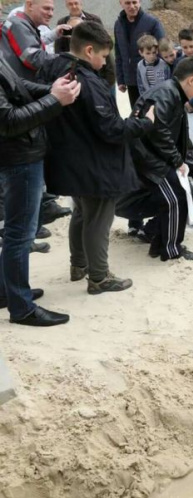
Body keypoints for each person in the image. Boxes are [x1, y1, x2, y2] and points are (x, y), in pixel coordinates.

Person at [37, 21, 155, 294]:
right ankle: (99, 277)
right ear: (89, 51)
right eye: (103, 56)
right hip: (95, 162)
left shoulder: (54, 68)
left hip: (69, 159)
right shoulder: (89, 81)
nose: (104, 64)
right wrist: (144, 123)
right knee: (99, 219)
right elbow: (112, 129)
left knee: (81, 212)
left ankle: (78, 265)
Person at [0, 57, 80, 326]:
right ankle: (21, 307)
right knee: (20, 233)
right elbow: (8, 121)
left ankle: (6, 292)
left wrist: (49, 89)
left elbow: (15, 84)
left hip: (22, 154)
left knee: (18, 230)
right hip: (18, 158)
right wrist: (54, 100)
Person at [0, 0, 72, 238]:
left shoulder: (22, 24)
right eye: (46, 9)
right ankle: (28, 229)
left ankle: (34, 222)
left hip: (24, 99)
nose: (51, 13)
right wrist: (68, 59)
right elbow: (33, 59)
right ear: (29, 5)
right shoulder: (18, 24)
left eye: (53, 9)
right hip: (20, 114)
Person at [128, 57, 193, 261]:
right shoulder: (167, 93)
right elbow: (159, 131)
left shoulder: (172, 94)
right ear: (191, 80)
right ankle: (171, 250)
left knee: (174, 198)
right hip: (148, 159)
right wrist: (177, 161)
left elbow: (181, 141)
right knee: (176, 198)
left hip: (153, 157)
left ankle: (159, 244)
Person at [114, 0, 166, 108]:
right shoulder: (118, 25)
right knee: (137, 114)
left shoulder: (152, 23)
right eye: (127, 3)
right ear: (121, 3)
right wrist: (121, 79)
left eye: (134, 2)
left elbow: (162, 49)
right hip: (131, 81)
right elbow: (119, 53)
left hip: (150, 80)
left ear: (140, 2)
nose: (132, 6)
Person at [55, 0, 115, 87]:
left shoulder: (94, 19)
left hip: (98, 70)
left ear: (81, 3)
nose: (74, 6)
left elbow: (104, 43)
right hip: (75, 70)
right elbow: (59, 48)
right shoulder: (62, 22)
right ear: (66, 5)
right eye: (70, 4)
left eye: (76, 3)